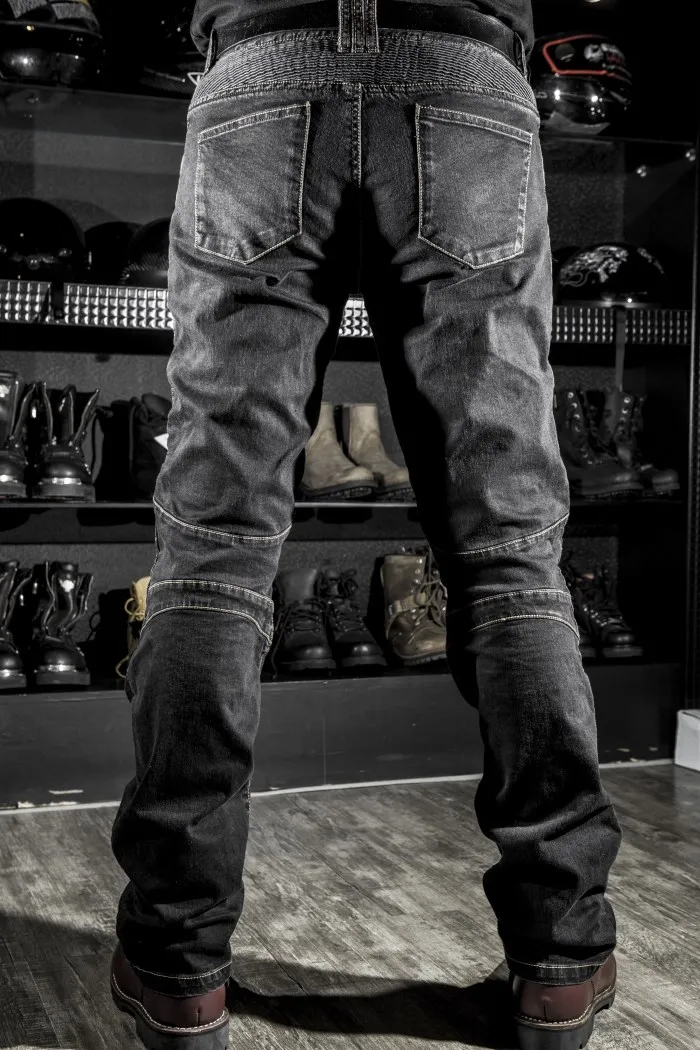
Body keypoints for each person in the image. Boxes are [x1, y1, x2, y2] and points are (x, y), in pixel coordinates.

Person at [109, 2, 622, 1048]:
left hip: (264, 58)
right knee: (509, 553)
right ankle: (559, 959)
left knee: (213, 550)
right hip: (461, 62)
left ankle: (176, 962)